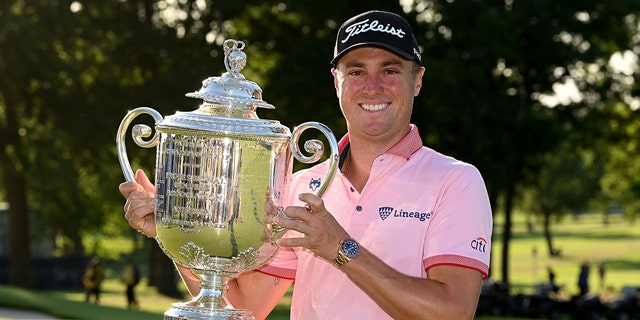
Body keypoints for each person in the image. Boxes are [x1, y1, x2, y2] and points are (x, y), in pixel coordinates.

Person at [120, 10, 493, 320]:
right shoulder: (301, 185)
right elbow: (245, 307)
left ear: (417, 80)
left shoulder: (456, 181)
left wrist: (341, 248)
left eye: (391, 70)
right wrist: (178, 233)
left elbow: (452, 312)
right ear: (337, 82)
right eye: (356, 71)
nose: (373, 86)